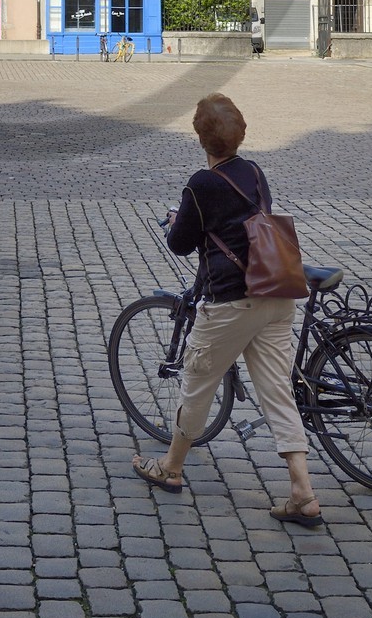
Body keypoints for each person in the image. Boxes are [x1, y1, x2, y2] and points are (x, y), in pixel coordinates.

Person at [131, 92, 322, 528]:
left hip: (231, 303)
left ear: (201, 138)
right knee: (277, 391)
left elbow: (180, 244)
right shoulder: (253, 172)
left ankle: (171, 468)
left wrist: (182, 217)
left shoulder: (201, 184)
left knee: (196, 384)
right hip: (275, 295)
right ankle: (302, 492)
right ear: (240, 133)